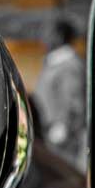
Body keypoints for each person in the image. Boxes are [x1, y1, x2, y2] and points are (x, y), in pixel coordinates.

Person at [33, 20, 86, 167]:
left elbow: (74, 102)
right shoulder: (54, 62)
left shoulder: (69, 65)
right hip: (49, 135)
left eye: (48, 33)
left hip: (62, 139)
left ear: (59, 36)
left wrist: (63, 127)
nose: (43, 38)